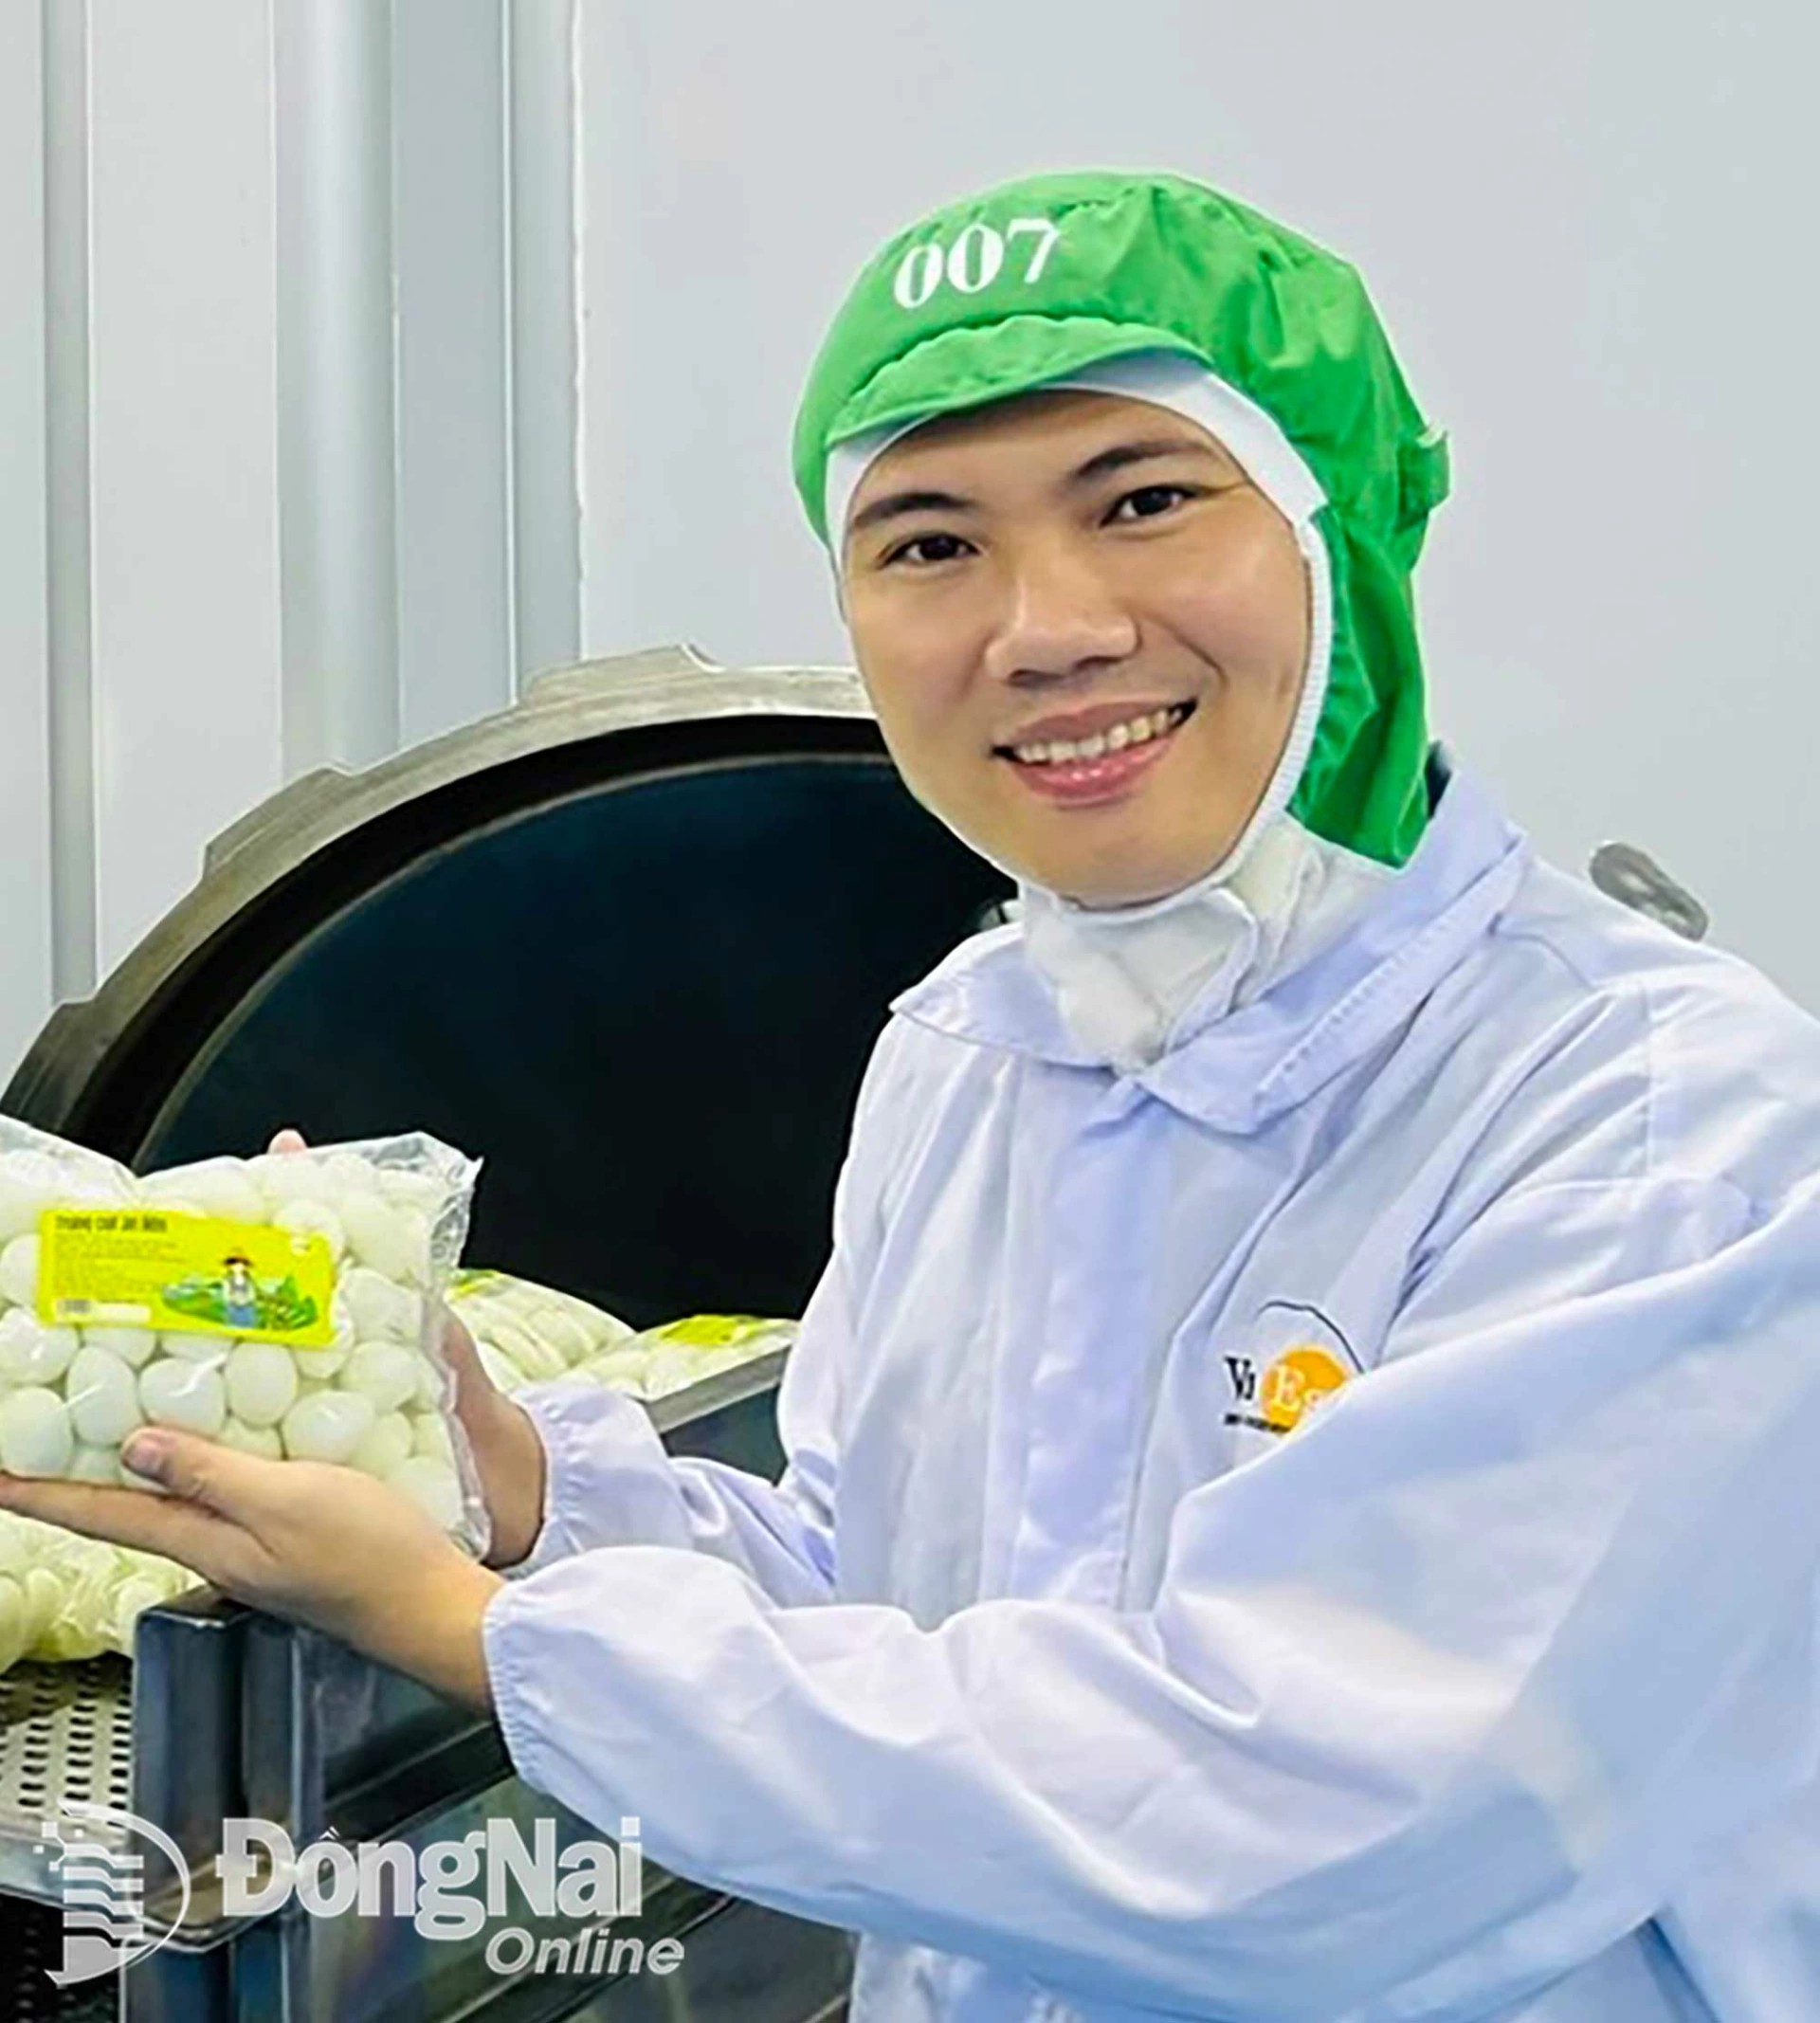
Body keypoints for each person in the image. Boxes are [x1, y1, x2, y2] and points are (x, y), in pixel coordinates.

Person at [6, 169, 1820, 2021]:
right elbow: (872, 1597)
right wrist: (514, 1475)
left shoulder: (1651, 1119)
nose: (1044, 627)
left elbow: (1329, 1832)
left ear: (1339, 535)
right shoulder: (975, 1049)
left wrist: (480, 1629)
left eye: (1144, 499)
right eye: (930, 540)